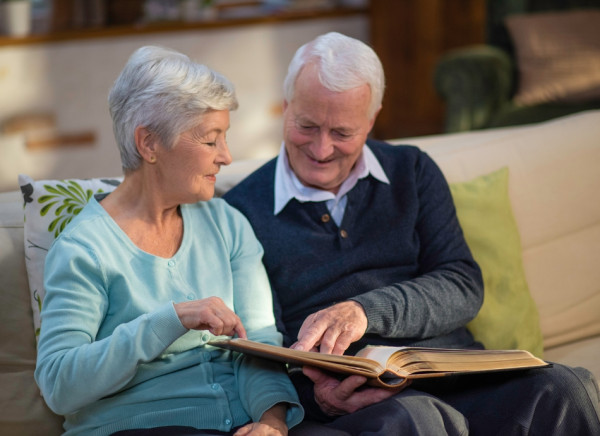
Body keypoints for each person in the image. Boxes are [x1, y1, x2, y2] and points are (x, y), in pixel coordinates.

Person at [224, 32, 600, 435]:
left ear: (372, 119)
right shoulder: (243, 210)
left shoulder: (413, 171)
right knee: (417, 421)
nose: (321, 149)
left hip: (453, 370)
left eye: (342, 133)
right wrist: (317, 399)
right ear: (286, 108)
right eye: (307, 125)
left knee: (567, 388)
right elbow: (260, 344)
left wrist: (364, 312)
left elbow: (462, 284)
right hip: (364, 401)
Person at [34, 46, 303, 436]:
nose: (226, 157)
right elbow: (59, 386)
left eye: (224, 138)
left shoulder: (227, 224)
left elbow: (258, 342)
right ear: (149, 144)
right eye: (211, 141)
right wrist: (170, 320)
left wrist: (272, 422)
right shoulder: (85, 249)